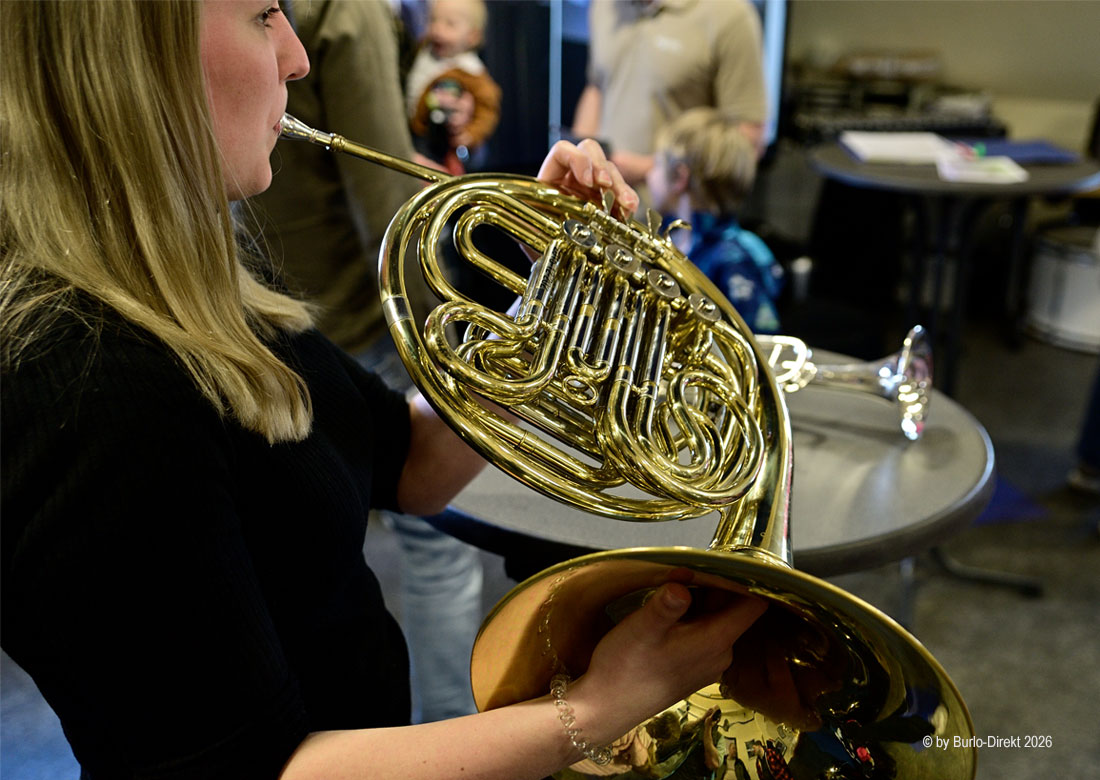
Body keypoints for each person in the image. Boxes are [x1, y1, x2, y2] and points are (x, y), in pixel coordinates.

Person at [0, 2, 772, 779]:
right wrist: (599, 709)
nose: (297, 59)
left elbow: (411, 466)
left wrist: (549, 303)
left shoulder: (197, 290)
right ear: (133, 52)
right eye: (265, 15)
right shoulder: (82, 384)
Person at [246, 0, 485, 724]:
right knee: (439, 551)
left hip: (277, 307)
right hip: (354, 321)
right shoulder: (346, 10)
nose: (293, 56)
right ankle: (454, 735)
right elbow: (390, 213)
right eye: (263, 18)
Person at [572, 0, 767, 197]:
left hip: (675, 217)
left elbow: (747, 140)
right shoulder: (605, 6)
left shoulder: (730, 14)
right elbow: (596, 88)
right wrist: (579, 162)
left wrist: (652, 170)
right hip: (600, 206)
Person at [646, 107, 784, 334]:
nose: (650, 174)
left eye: (657, 164)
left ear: (681, 176)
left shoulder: (735, 260)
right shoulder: (668, 234)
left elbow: (760, 342)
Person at [405, 0, 500, 173]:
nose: (437, 29)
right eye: (433, 20)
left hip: (438, 144)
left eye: (450, 24)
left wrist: (471, 133)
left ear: (473, 36)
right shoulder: (425, 51)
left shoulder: (469, 70)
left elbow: (488, 108)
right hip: (413, 133)